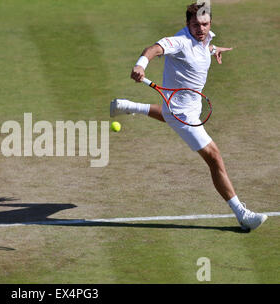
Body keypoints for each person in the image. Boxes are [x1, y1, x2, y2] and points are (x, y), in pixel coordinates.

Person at [110, 2, 267, 231]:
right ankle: (242, 214)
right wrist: (140, 65)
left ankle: (128, 106)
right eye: (195, 25)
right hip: (183, 114)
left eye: (204, 24)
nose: (200, 29)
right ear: (187, 24)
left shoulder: (206, 39)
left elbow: (204, 47)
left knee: (167, 114)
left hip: (187, 107)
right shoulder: (180, 42)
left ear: (210, 23)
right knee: (214, 157)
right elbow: (152, 49)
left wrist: (214, 50)